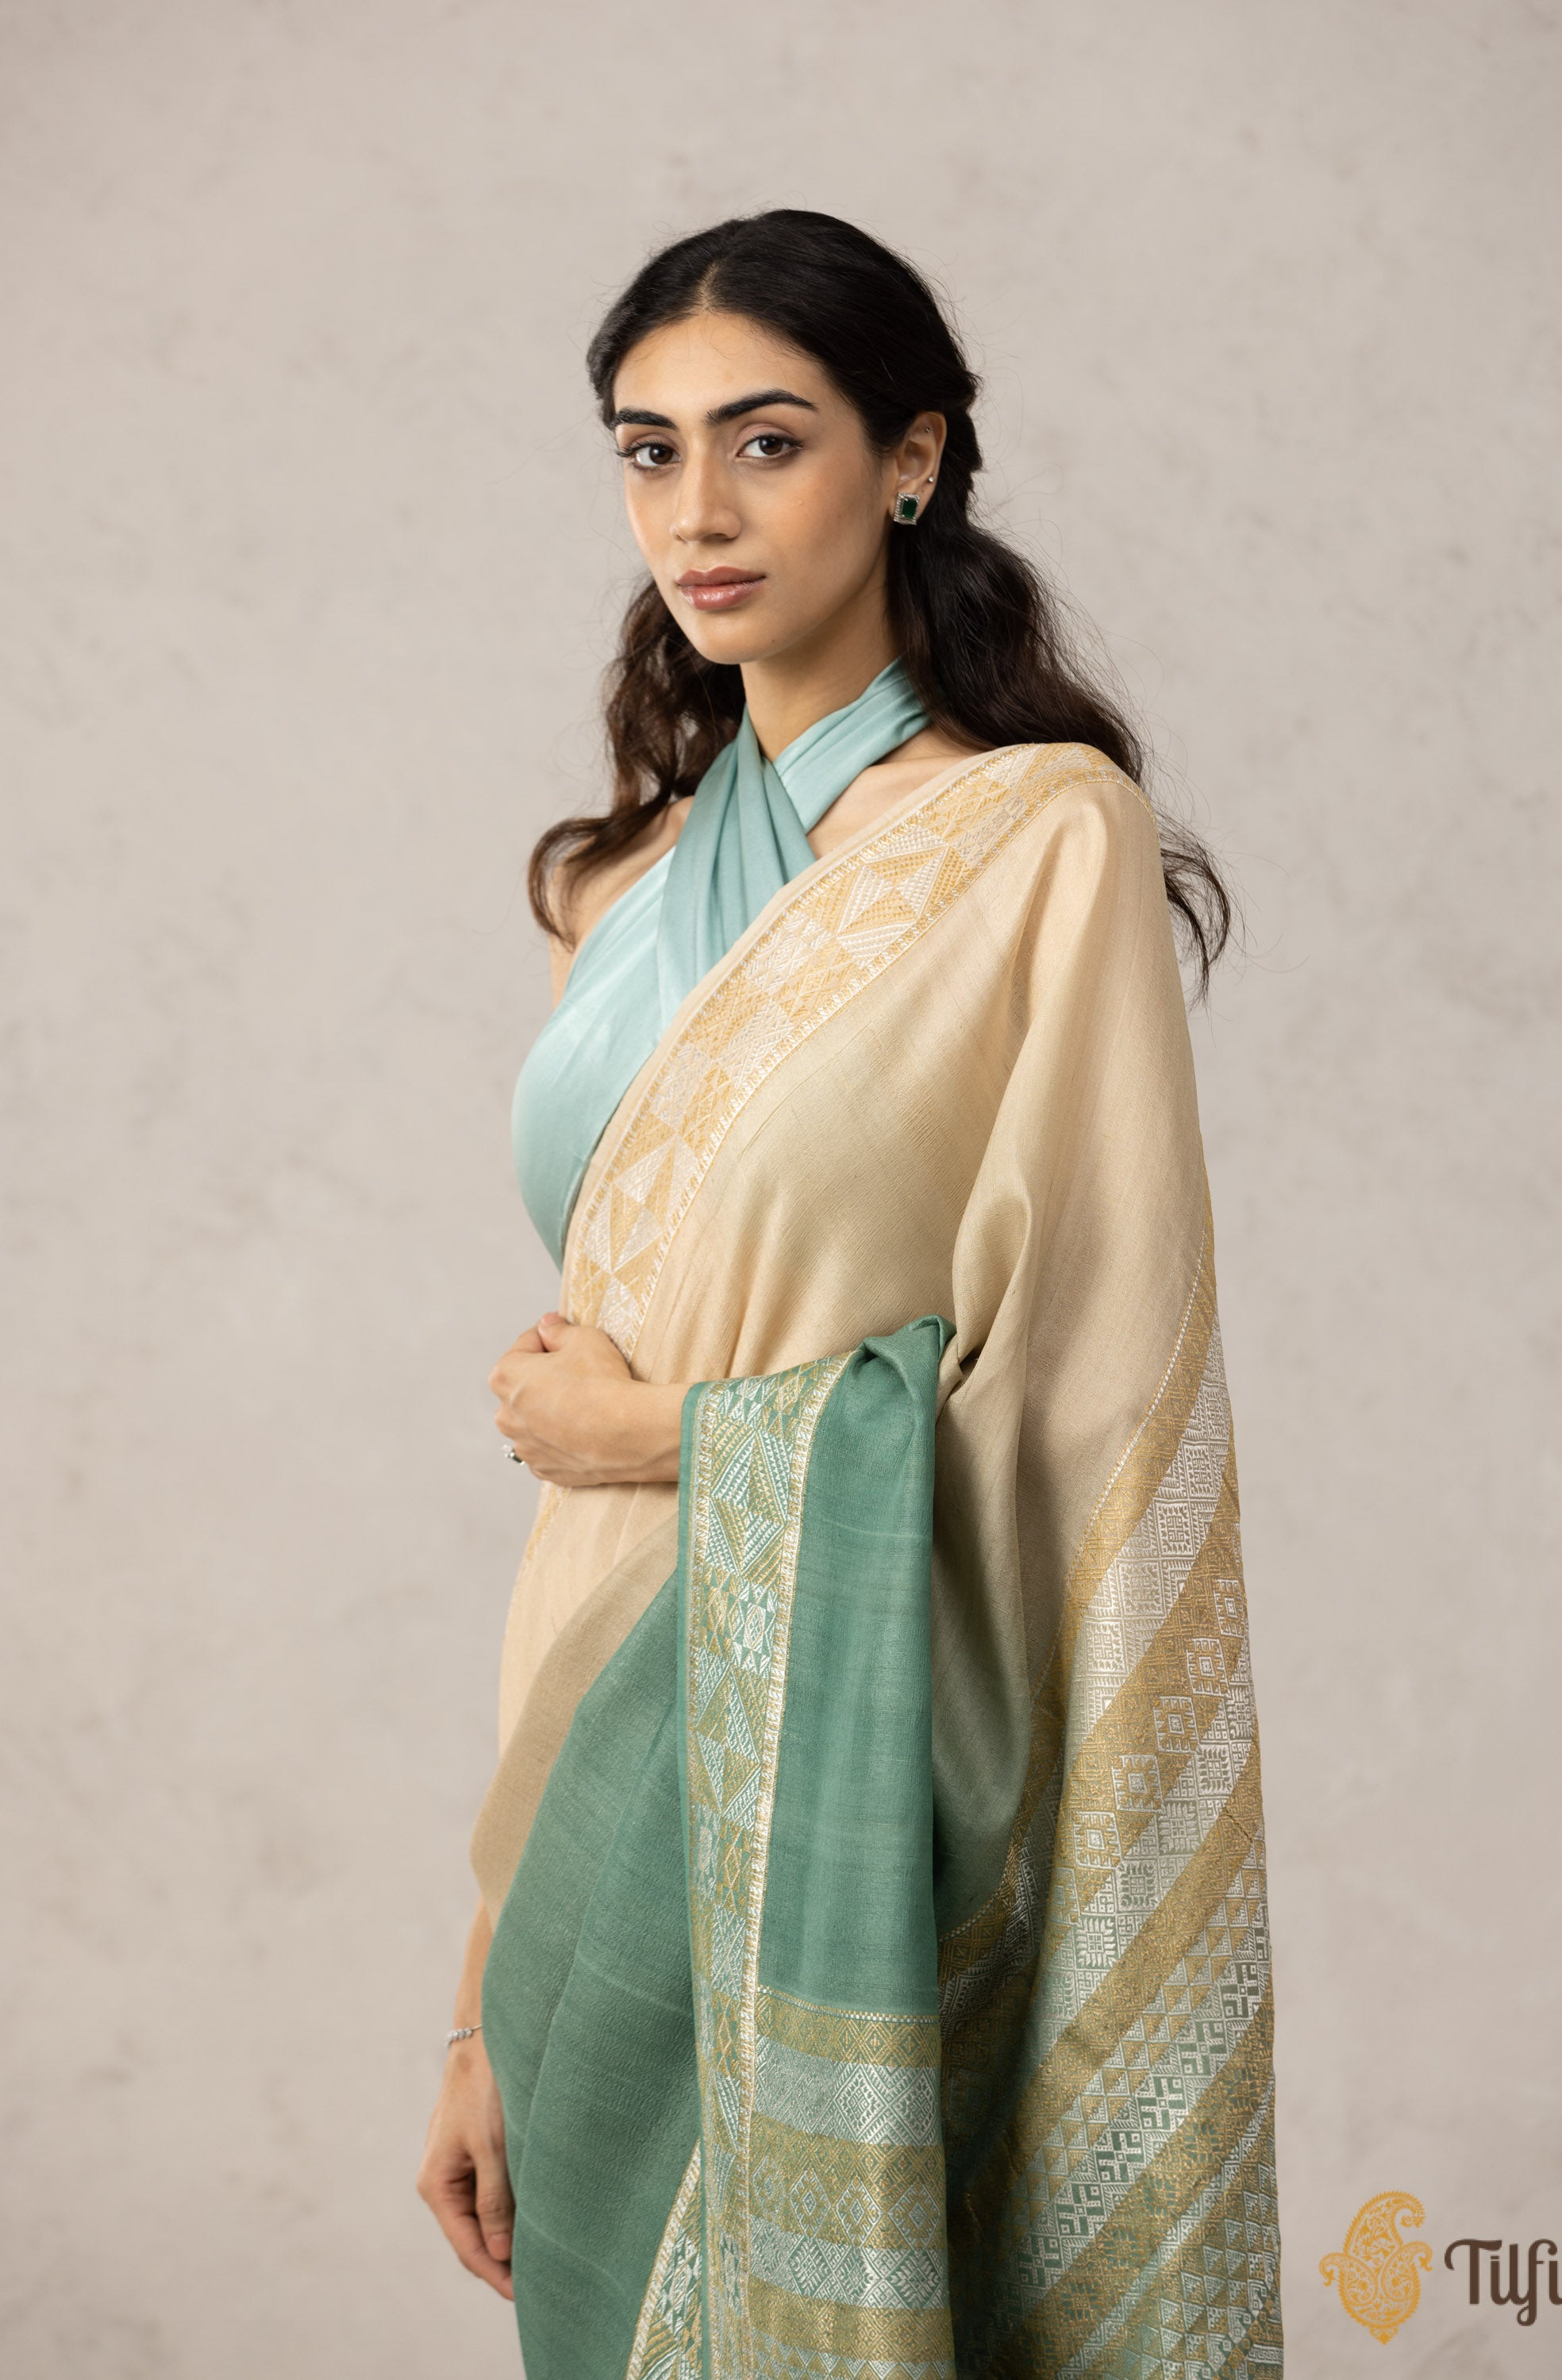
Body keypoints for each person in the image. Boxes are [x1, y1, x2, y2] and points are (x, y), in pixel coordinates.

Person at [417, 209, 1283, 2378]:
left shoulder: (1034, 841)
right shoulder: (616, 886)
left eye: (767, 441)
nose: (696, 514)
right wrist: (473, 1998)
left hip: (856, 1743)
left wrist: (668, 1435)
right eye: (649, 452)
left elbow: (1085, 1386)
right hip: (592, 1718)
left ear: (911, 459)